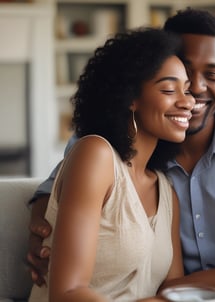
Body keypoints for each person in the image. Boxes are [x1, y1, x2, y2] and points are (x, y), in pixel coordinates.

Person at [28, 8, 215, 293]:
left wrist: (179, 289)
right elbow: (57, 192)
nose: (193, 91)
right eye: (176, 81)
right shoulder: (103, 143)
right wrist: (44, 236)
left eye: (212, 74)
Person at [28, 27, 195, 301]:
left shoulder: (166, 191)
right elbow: (67, 292)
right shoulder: (96, 156)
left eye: (187, 90)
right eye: (168, 88)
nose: (187, 101)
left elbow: (172, 289)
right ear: (130, 97)